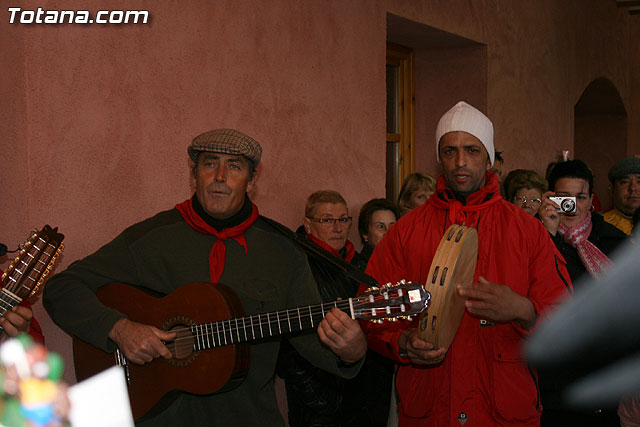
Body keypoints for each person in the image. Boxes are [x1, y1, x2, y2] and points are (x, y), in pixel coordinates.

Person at [42, 129, 366, 427]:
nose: (220, 177)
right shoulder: (152, 238)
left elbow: (312, 337)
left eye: (234, 167)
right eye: (210, 164)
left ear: (251, 181)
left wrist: (351, 353)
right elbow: (62, 288)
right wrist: (118, 328)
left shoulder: (283, 252)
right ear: (193, 174)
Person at [361, 101, 571, 426]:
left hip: (504, 414)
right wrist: (402, 342)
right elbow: (371, 309)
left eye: (472, 150)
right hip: (430, 413)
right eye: (450, 151)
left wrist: (523, 309)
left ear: (489, 158)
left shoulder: (528, 232)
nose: (460, 161)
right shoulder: (405, 232)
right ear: (439, 157)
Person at [277, 190, 384, 427]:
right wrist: (316, 396)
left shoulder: (362, 265)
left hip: (363, 396)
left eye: (343, 219)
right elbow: (287, 341)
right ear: (308, 225)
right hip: (317, 402)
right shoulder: (296, 265)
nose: (337, 228)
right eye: (327, 220)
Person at [538, 159, 627, 426]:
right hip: (552, 383)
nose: (573, 206)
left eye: (581, 197)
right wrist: (548, 235)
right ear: (550, 198)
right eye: (565, 197)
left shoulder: (613, 241)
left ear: (592, 201)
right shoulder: (534, 237)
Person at [603, 157, 640, 235]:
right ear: (612, 189)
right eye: (625, 182)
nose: (633, 188)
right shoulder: (598, 224)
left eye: (639, 182)